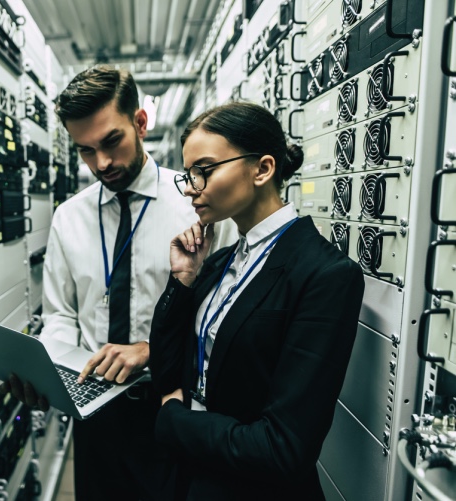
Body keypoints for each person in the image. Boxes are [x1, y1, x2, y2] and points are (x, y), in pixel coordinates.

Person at [0, 65, 236, 501]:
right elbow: (61, 315)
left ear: (140, 123)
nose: (101, 163)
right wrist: (45, 374)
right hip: (95, 418)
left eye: (111, 142)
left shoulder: (195, 204)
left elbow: (225, 314)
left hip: (174, 408)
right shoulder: (68, 217)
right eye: (85, 151)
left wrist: (153, 351)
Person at [149, 101, 365, 500]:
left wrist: (174, 419)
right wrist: (182, 281)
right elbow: (166, 370)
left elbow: (283, 448)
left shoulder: (326, 276)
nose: (193, 188)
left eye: (205, 171)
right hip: (192, 477)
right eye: (188, 175)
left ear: (263, 169)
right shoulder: (217, 262)